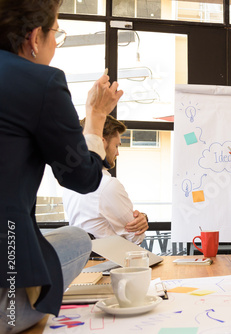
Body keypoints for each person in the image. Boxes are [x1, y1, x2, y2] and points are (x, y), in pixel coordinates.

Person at [0, 1, 123, 332]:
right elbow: (81, 177)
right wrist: (96, 117)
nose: (56, 43)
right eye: (57, 33)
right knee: (78, 239)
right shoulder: (41, 81)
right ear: (35, 37)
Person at [63, 115, 149, 245]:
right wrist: (142, 219)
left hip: (83, 259)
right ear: (102, 143)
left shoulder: (71, 183)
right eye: (116, 146)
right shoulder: (108, 185)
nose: (117, 153)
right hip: (111, 261)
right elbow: (136, 237)